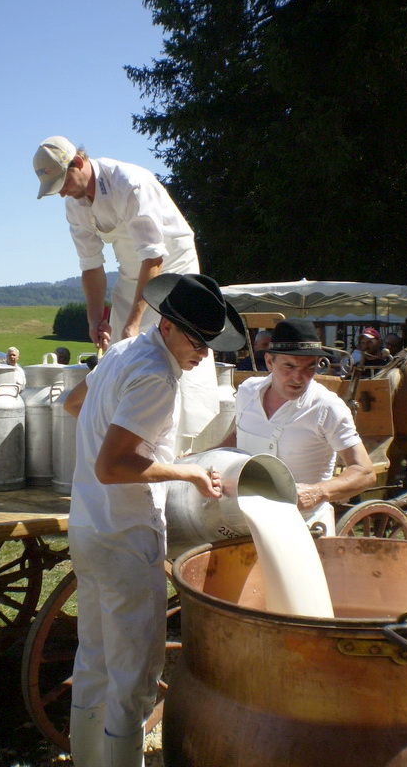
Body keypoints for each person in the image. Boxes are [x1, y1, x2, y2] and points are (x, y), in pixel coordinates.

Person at [63, 273, 245, 767]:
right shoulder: (157, 376)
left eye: (208, 343)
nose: (203, 354)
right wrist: (186, 471)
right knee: (135, 678)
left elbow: (71, 402)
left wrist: (107, 419)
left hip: (88, 527)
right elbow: (112, 465)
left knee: (95, 660)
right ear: (166, 325)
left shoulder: (121, 353)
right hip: (125, 537)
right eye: (195, 340)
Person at [33, 135, 219, 452]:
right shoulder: (74, 205)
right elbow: (91, 266)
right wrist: (96, 319)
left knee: (177, 347)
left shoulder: (130, 183)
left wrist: (135, 321)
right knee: (124, 352)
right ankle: (130, 446)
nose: (62, 191)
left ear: (77, 162)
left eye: (63, 182)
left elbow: (154, 258)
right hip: (133, 271)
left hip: (174, 268)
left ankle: (187, 449)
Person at [221, 319, 375, 535]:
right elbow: (238, 435)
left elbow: (365, 471)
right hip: (246, 524)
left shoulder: (327, 407)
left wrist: (318, 491)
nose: (298, 377)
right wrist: (202, 459)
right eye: (289, 366)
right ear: (269, 361)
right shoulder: (247, 392)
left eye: (309, 366)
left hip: (305, 530)